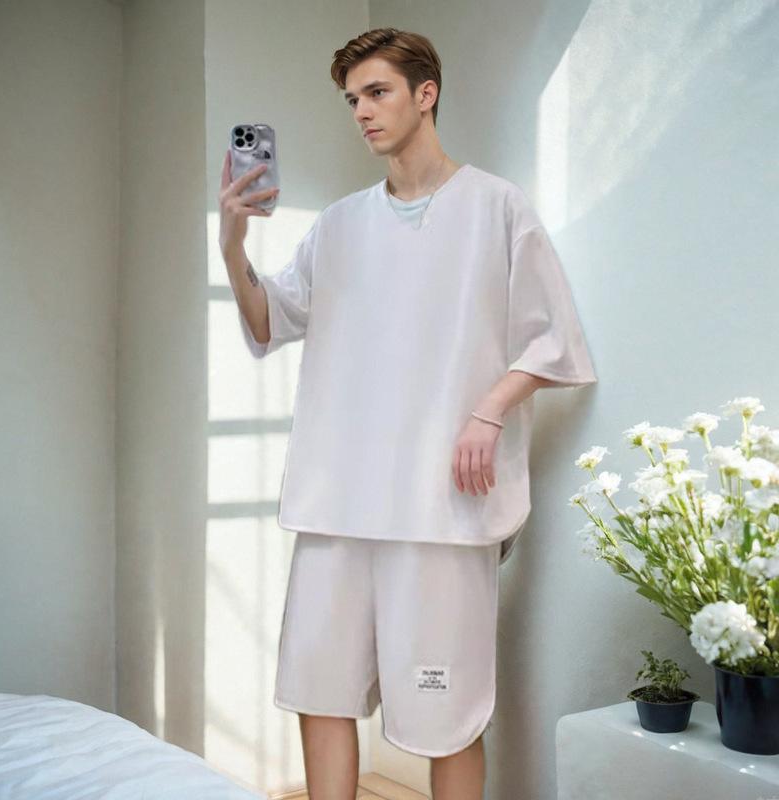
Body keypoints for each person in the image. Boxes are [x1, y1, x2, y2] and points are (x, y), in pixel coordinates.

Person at [218, 27, 598, 800]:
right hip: (337, 504)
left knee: (448, 713)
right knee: (320, 691)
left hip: (440, 511)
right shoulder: (339, 224)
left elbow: (554, 338)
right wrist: (232, 241)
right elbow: (269, 320)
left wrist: (489, 409)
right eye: (352, 99)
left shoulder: (496, 207)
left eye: (377, 92)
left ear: (427, 94)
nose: (361, 111)